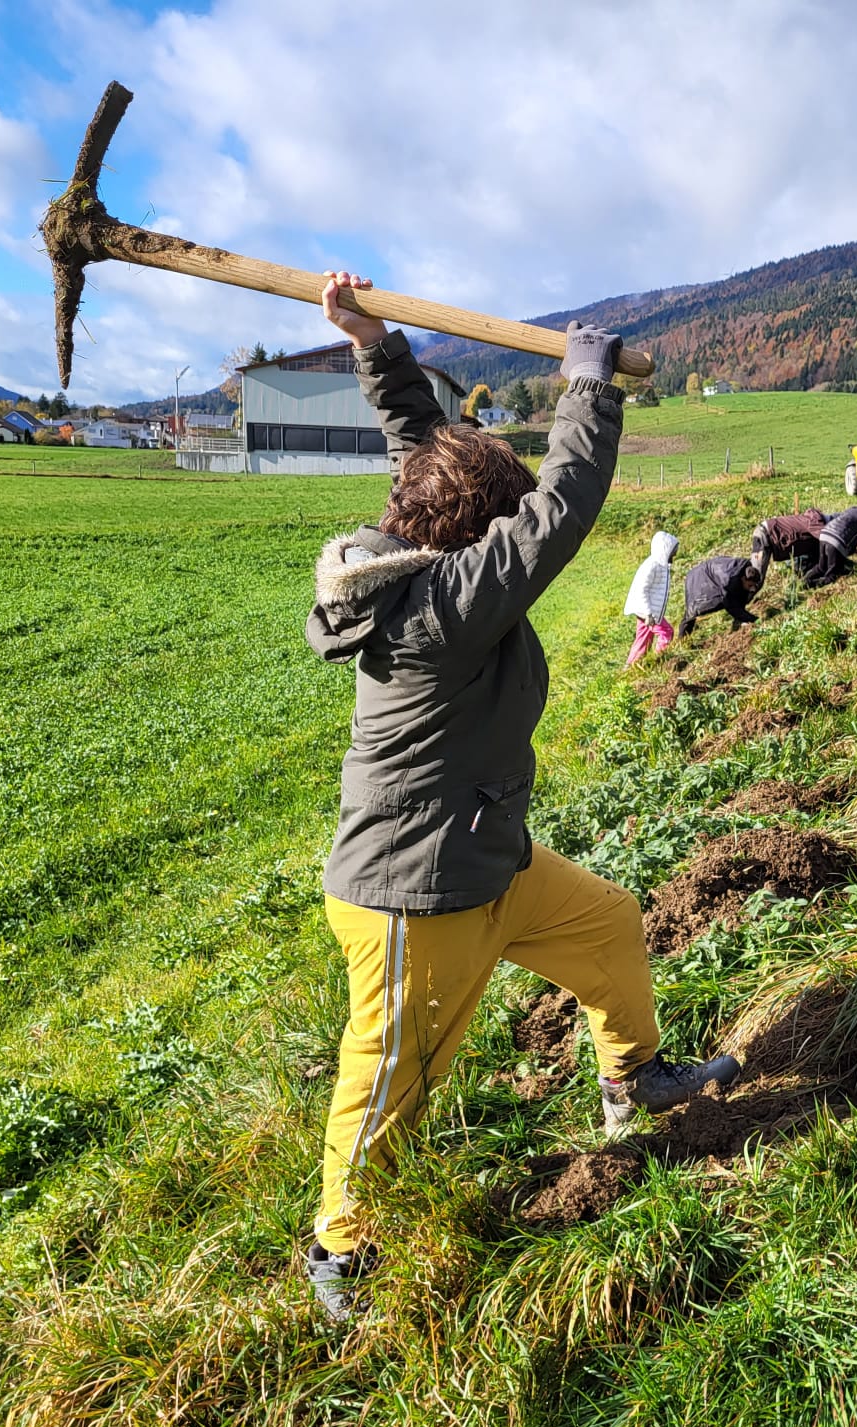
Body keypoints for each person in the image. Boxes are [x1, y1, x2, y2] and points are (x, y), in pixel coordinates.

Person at [302, 271, 739, 1321]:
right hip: (414, 889)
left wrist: (375, 344)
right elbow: (559, 513)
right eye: (491, 522)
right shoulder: (439, 606)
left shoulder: (425, 555)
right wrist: (588, 389)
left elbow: (426, 451)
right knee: (393, 1076)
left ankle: (631, 1081)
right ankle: (343, 1252)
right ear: (469, 537)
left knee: (607, 925)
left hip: (485, 854)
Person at [624, 530, 680, 666]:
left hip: (646, 610)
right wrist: (648, 613)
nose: (675, 554)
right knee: (667, 632)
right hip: (646, 610)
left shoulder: (660, 565)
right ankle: (659, 661)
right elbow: (642, 590)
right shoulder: (653, 566)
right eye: (673, 551)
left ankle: (630, 667)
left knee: (643, 639)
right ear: (665, 549)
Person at [677, 556, 764, 638]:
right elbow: (732, 607)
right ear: (743, 578)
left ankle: (740, 621)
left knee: (738, 596)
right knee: (692, 611)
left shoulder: (742, 570)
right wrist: (755, 620)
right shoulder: (729, 581)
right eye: (750, 585)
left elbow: (739, 601)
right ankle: (682, 640)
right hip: (698, 579)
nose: (752, 589)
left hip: (713, 574)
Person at [800, 503, 857, 587]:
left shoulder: (853, 509)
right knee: (833, 575)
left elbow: (849, 535)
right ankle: (810, 585)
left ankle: (802, 581)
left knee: (821, 567)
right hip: (837, 540)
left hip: (824, 534)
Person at [749, 506, 827, 582]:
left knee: (753, 579)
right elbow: (828, 542)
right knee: (754, 579)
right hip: (765, 535)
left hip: (767, 534)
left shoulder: (813, 529)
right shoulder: (816, 523)